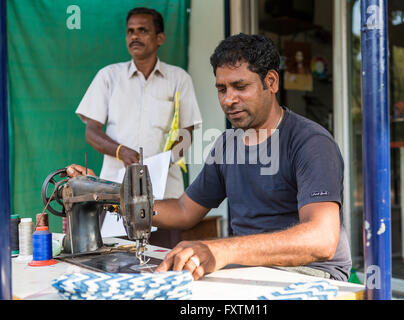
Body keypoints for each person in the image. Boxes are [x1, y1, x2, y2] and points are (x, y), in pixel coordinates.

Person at [67, 33, 352, 282]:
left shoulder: (309, 142)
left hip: (313, 275)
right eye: (221, 88)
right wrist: (108, 195)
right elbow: (183, 210)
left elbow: (322, 239)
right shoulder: (227, 145)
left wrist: (221, 250)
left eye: (240, 87)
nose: (228, 99)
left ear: (271, 82)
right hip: (252, 268)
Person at [75, 7, 202, 199]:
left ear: (160, 38)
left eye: (143, 30)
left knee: (168, 230)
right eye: (130, 31)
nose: (135, 36)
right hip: (116, 189)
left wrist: (160, 165)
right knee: (116, 230)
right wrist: (121, 151)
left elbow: (187, 133)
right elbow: (92, 133)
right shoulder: (108, 76)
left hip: (165, 190)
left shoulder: (179, 78)